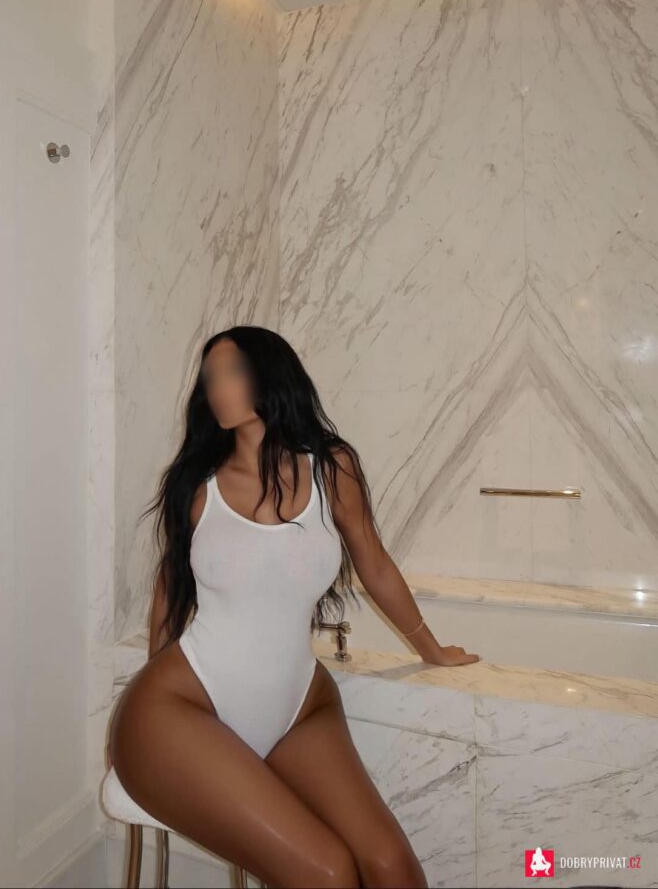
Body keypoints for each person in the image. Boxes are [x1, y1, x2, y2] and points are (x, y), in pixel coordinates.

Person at [109, 325, 480, 888]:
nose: (218, 388)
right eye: (210, 378)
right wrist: (158, 677)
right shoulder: (199, 484)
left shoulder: (332, 468)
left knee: (393, 869)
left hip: (297, 708)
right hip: (180, 709)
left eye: (233, 372)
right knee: (328, 872)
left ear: (272, 374)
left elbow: (375, 563)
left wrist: (432, 649)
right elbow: (170, 586)